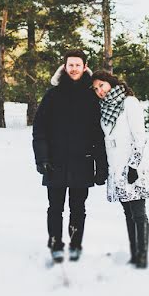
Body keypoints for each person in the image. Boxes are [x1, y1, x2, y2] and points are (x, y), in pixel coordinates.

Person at [32, 49, 108, 263]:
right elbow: (40, 129)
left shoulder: (92, 96)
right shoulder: (53, 95)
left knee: (78, 208)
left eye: (78, 65)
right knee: (55, 208)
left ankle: (75, 245)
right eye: (70, 65)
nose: (74, 68)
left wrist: (101, 167)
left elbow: (98, 134)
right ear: (64, 67)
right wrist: (42, 158)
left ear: (85, 67)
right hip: (54, 163)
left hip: (82, 162)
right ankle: (56, 244)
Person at [91, 70, 149, 269]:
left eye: (102, 85)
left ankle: (142, 257)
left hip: (131, 166)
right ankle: (134, 253)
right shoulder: (103, 108)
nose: (99, 90)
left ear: (110, 83)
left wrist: (134, 165)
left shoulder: (129, 103)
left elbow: (140, 137)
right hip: (115, 168)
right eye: (96, 88)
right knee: (127, 212)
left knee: (138, 212)